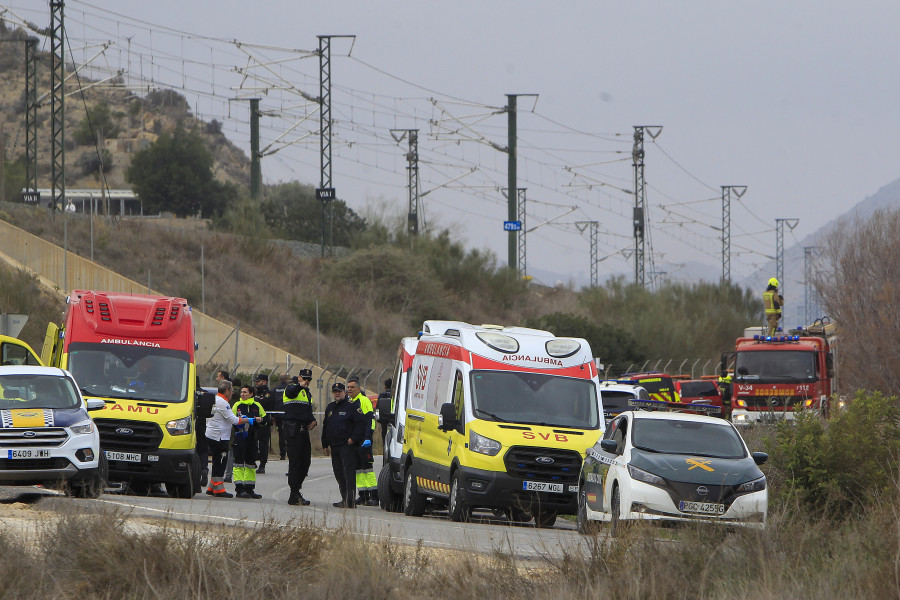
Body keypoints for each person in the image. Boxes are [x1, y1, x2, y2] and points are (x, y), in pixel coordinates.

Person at [321, 382, 366, 509]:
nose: (337, 393)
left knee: (348, 473)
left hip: (347, 446)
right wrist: (325, 444)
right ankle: (344, 498)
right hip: (334, 446)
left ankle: (350, 500)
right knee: (338, 473)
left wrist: (354, 438)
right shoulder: (330, 408)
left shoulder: (352, 406)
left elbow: (361, 424)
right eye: (335, 391)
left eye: (339, 391)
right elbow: (326, 427)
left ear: (344, 392)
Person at [205, 379, 252, 498]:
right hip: (220, 436)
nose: (232, 393)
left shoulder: (215, 399)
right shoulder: (223, 402)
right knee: (221, 461)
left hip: (213, 433)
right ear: (226, 390)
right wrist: (249, 420)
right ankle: (219, 489)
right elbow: (234, 420)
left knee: (217, 460)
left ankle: (212, 487)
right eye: (231, 390)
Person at [282, 369, 317, 506]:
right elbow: (291, 393)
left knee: (306, 461)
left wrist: (313, 421)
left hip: (303, 428)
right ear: (299, 377)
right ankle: (294, 493)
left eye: (309, 379)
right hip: (292, 428)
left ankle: (297, 489)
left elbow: (308, 411)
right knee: (295, 461)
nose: (307, 381)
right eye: (305, 378)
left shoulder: (307, 393)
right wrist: (299, 385)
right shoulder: (291, 388)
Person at [231, 384, 268, 499]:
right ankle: (240, 489)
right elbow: (232, 420)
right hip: (240, 437)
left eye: (245, 392)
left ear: (251, 394)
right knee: (238, 463)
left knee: (251, 464)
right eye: (241, 392)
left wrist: (261, 420)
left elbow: (266, 420)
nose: (242, 394)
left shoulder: (257, 405)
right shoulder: (237, 405)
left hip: (252, 437)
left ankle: (249, 489)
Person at [346, 376, 378, 506]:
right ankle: (363, 495)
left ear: (359, 388)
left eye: (352, 387)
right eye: (348, 387)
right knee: (358, 469)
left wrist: (368, 437)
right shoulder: (349, 402)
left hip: (364, 440)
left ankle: (374, 496)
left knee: (367, 468)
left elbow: (370, 420)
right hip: (354, 441)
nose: (349, 389)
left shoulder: (363, 400)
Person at [195, 379, 216, 488]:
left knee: (193, 450)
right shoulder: (206, 394)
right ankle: (204, 468)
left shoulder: (188, 393)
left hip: (192, 423)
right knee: (203, 449)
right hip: (203, 424)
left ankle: (196, 479)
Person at [253, 373, 274, 474]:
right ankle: (252, 460)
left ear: (264, 382)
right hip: (253, 420)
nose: (257, 383)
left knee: (263, 443)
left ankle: (262, 464)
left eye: (259, 381)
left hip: (264, 421)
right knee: (252, 441)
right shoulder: (255, 392)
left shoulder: (268, 393)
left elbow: (264, 402)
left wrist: (256, 400)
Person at [271, 373, 289, 460]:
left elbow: (272, 402)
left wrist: (273, 415)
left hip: (277, 414)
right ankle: (289, 451)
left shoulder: (275, 389)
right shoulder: (289, 388)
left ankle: (282, 454)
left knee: (281, 433)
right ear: (287, 379)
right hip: (287, 414)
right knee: (289, 433)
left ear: (279, 379)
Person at [377, 378, 392, 450]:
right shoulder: (396, 395)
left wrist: (380, 419)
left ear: (385, 386)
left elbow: (378, 407)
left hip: (384, 420)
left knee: (385, 437)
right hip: (394, 420)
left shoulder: (382, 395)